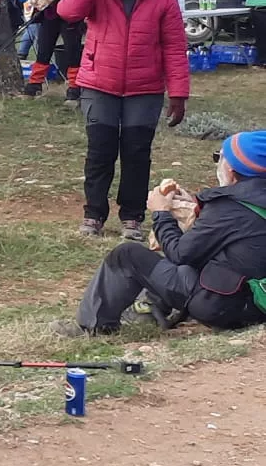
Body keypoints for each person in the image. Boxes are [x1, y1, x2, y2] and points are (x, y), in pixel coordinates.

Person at [54, 132, 266, 337]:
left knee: (128, 255)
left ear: (233, 169)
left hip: (227, 307)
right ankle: (148, 311)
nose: (218, 164)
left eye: (218, 158)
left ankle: (93, 327)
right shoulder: (247, 205)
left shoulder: (228, 209)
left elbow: (181, 253)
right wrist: (193, 208)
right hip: (257, 304)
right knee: (194, 259)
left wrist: (161, 213)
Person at [57, 0, 191, 240]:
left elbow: (174, 48)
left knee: (136, 152)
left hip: (145, 88)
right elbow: (67, 11)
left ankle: (132, 218)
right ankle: (93, 216)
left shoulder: (163, 0)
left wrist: (179, 93)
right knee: (100, 151)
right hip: (98, 84)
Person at [24, 0, 86, 103]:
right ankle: (34, 86)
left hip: (69, 16)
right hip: (48, 16)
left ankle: (74, 89)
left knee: (72, 51)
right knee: (43, 50)